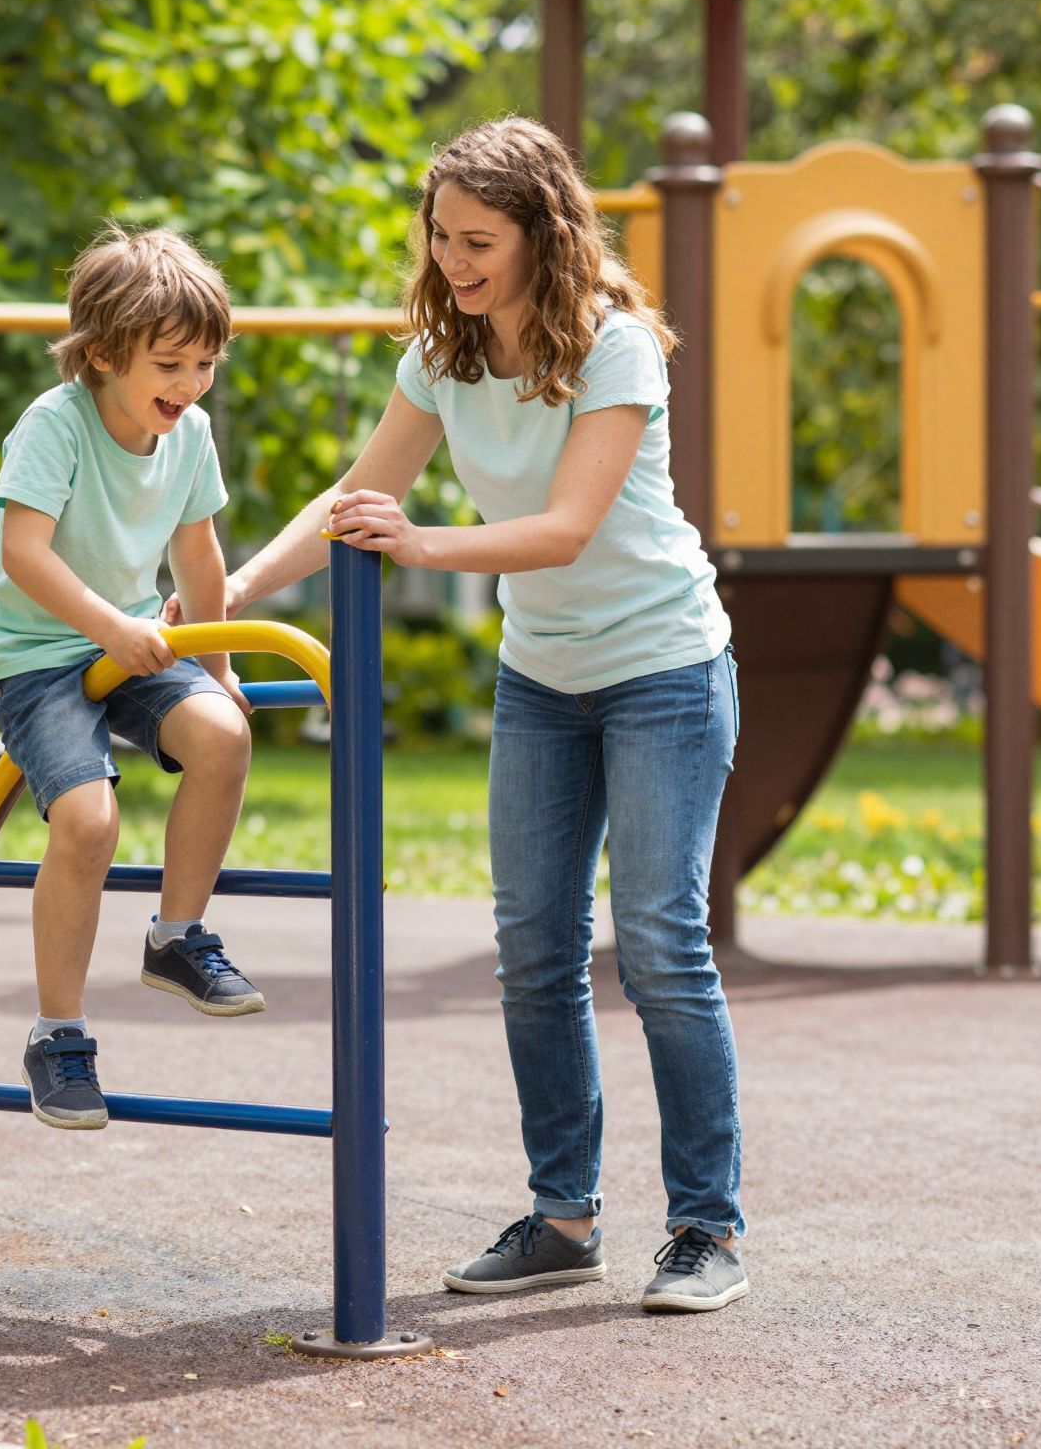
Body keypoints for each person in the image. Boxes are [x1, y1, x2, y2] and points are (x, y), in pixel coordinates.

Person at [202, 117, 748, 1311]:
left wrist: (417, 544)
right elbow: (358, 493)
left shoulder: (614, 349)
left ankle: (704, 1230)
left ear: (541, 234)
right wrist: (231, 595)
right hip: (543, 677)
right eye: (440, 235)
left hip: (662, 666)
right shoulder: (441, 357)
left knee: (658, 947)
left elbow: (562, 530)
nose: (453, 260)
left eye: (478, 239)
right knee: (532, 953)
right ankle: (564, 1220)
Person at [0, 223, 259, 1132]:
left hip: (129, 644)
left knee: (223, 734)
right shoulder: (55, 425)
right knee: (88, 822)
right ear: (101, 355)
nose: (189, 384)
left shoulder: (192, 433)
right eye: (170, 364)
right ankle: (58, 1037)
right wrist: (110, 625)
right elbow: (23, 554)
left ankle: (176, 938)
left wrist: (217, 663)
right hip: (38, 655)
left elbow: (199, 548)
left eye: (205, 363)